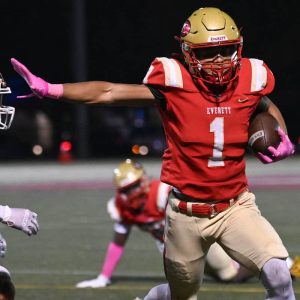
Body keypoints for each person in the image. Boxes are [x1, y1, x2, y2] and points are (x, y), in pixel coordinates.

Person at [10, 6, 296, 300]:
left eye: (225, 50)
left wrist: (281, 135)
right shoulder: (173, 80)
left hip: (235, 206)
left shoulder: (251, 76)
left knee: (279, 277)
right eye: (208, 52)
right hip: (186, 214)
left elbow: (266, 105)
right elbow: (108, 92)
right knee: (181, 295)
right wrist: (51, 89)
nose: (219, 60)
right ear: (187, 52)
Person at [76, 159, 255, 289]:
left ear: (144, 181)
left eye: (134, 186)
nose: (131, 193)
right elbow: (118, 242)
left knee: (228, 275)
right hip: (173, 249)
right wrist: (104, 277)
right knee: (191, 282)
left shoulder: (162, 193)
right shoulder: (121, 207)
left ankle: (267, 262)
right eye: (126, 190)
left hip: (198, 236)